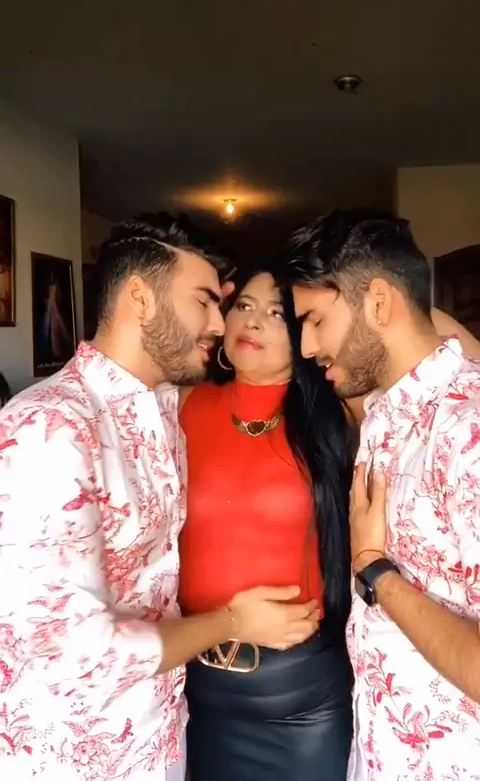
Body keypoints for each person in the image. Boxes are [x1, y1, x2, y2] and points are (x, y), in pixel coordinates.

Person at [0, 215, 319, 781]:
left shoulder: (164, 409)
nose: (221, 323)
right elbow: (76, 652)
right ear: (140, 299)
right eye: (205, 301)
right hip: (72, 755)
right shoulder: (47, 429)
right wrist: (232, 621)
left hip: (164, 733)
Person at [278, 208, 480, 781]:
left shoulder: (468, 429)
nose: (307, 346)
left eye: (315, 319)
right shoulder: (387, 415)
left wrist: (375, 570)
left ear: (378, 303)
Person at [179, 266, 355, 781]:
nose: (252, 322)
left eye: (277, 313)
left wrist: (370, 283)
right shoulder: (183, 404)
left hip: (300, 701)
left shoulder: (335, 416)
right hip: (197, 687)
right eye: (243, 306)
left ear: (305, 334)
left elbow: (436, 351)